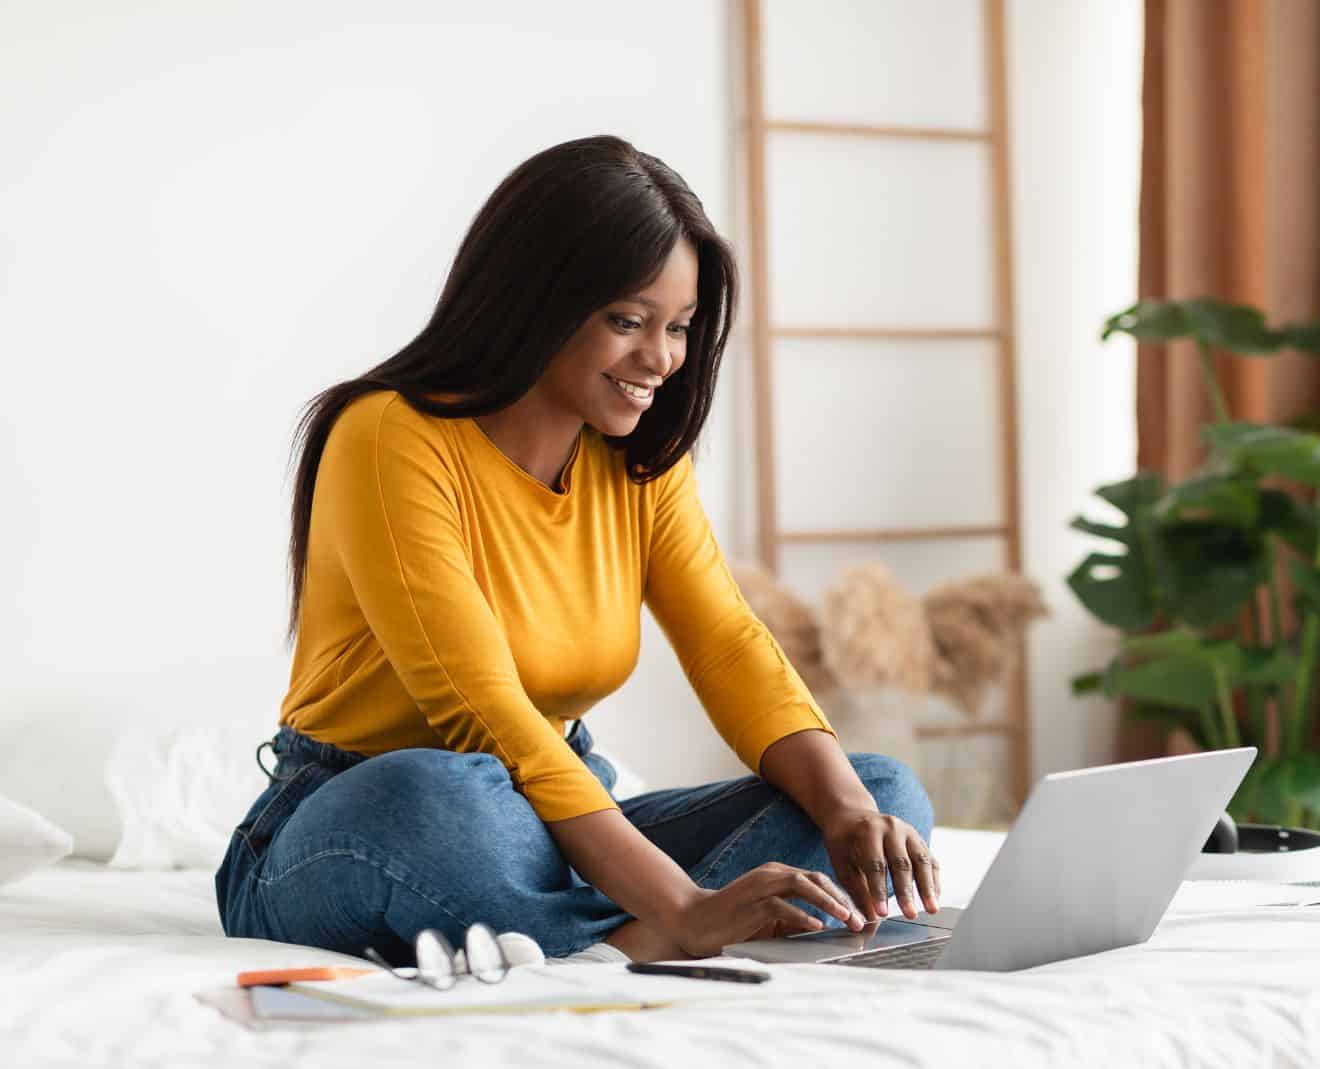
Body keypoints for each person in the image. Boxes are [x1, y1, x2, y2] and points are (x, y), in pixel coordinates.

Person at [214, 136, 939, 966]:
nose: (662, 359)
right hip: (365, 817)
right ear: (535, 301)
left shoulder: (633, 459)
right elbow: (484, 716)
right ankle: (656, 931)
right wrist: (683, 900)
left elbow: (728, 645)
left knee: (881, 791)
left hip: (549, 822)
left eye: (680, 327)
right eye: (628, 322)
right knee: (439, 791)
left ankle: (619, 937)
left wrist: (843, 808)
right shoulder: (389, 436)